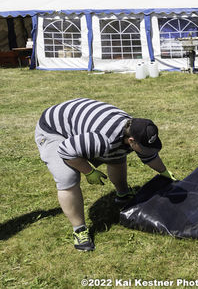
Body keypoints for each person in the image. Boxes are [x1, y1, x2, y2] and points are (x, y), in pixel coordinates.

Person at [35, 98, 176, 251]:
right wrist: (89, 172)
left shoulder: (135, 129)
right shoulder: (103, 139)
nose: (147, 151)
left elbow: (148, 156)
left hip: (82, 126)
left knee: (117, 156)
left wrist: (164, 172)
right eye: (144, 147)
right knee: (67, 177)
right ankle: (79, 229)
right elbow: (66, 152)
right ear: (131, 140)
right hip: (54, 130)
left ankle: (123, 195)